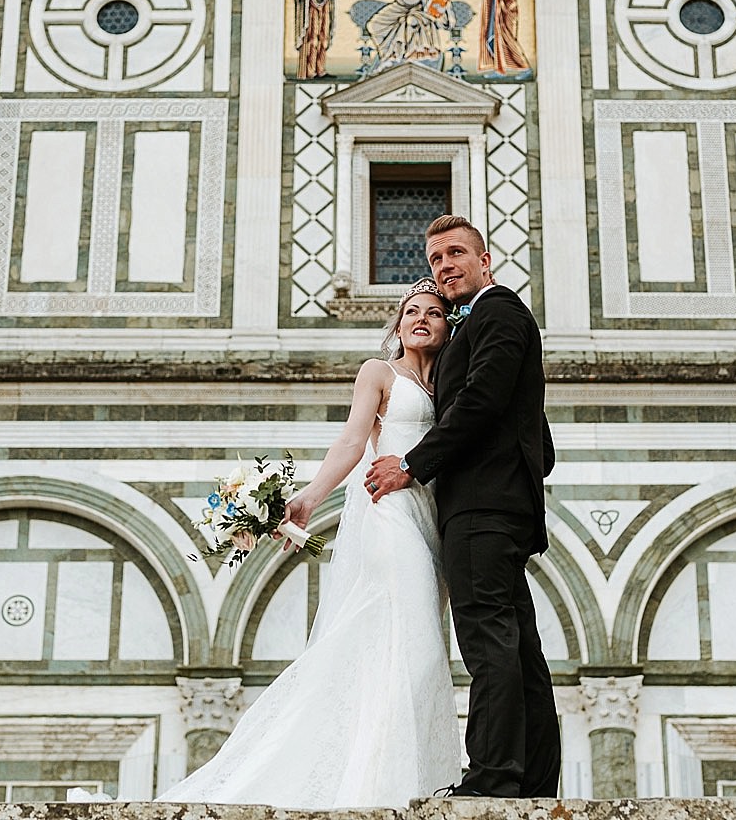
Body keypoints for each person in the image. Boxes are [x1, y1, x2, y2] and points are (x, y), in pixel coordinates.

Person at [158, 281, 460, 807]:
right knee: (415, 645)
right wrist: (310, 497)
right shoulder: (379, 372)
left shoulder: (450, 382)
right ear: (397, 325)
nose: (421, 319)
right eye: (411, 311)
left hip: (430, 519)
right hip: (388, 514)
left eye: (433, 313)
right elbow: (351, 440)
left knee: (417, 644)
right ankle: (381, 789)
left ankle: (403, 776)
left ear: (446, 325)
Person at [366, 215, 559, 797]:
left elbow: (478, 401)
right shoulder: (483, 322)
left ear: (485, 260)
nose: (445, 266)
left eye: (455, 253)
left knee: (487, 639)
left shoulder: (497, 312)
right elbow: (538, 438)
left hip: (479, 509)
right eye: (435, 259)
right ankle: (533, 780)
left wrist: (412, 464)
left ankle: (493, 778)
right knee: (518, 645)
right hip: (500, 505)